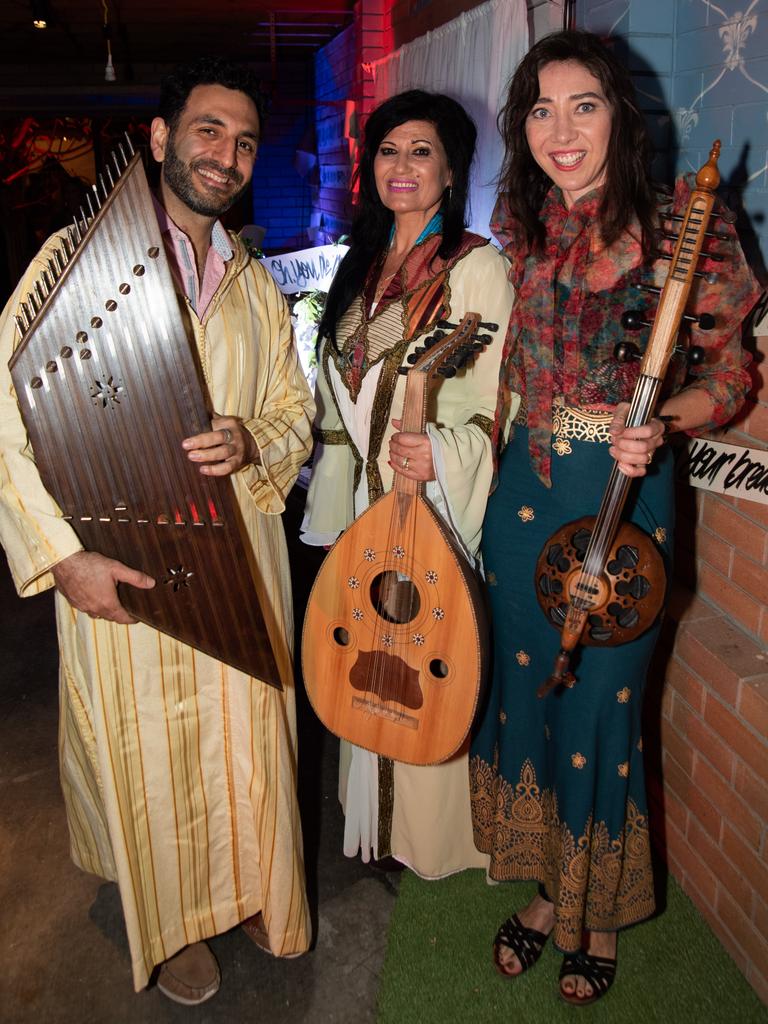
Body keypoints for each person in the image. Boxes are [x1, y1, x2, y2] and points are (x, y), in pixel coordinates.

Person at [0, 57, 314, 1005]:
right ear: (162, 139)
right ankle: (171, 921)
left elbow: (293, 413)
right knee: (153, 752)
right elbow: (5, 419)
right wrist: (61, 558)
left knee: (250, 736)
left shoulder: (256, 286)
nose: (227, 154)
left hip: (237, 566)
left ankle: (258, 887)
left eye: (245, 141)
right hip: (122, 562)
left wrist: (250, 435)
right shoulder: (72, 260)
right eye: (209, 131)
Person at [470, 30, 760, 1006]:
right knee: (532, 697)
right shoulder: (524, 223)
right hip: (525, 495)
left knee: (604, 705)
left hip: (622, 503)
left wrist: (664, 422)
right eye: (541, 109)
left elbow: (729, 375)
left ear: (621, 115)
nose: (562, 129)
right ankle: (553, 891)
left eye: (583, 104)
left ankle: (599, 914)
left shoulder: (689, 227)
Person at [301, 90, 515, 877]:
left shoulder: (475, 267)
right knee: (366, 652)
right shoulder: (361, 263)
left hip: (439, 503)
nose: (402, 166)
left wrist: (446, 454)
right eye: (388, 150)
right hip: (364, 502)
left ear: (452, 170)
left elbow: (502, 404)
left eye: (421, 151)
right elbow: (337, 396)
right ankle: (376, 828)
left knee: (427, 653)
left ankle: (433, 841)